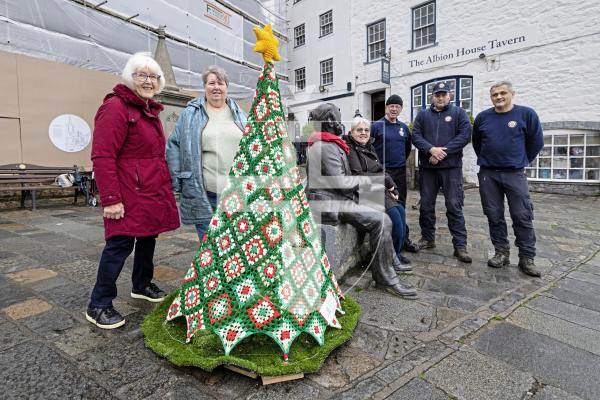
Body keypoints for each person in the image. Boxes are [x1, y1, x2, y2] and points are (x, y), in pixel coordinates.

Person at [87, 52, 180, 329]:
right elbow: (102, 156)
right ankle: (99, 304)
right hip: (127, 192)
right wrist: (111, 199)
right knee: (119, 244)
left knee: (148, 238)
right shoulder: (116, 107)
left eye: (153, 76)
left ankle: (141, 285)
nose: (148, 81)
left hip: (149, 191)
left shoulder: (148, 109)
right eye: (142, 75)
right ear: (130, 77)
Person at [306, 103, 416, 298]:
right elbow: (339, 182)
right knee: (382, 220)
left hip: (335, 196)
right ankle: (385, 278)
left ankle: (388, 262)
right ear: (331, 121)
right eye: (338, 117)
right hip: (329, 202)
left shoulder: (329, 143)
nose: (341, 122)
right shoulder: (325, 146)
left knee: (383, 209)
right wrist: (366, 181)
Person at [166, 66, 247, 241]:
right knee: (209, 247)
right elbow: (173, 145)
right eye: (211, 83)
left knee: (236, 244)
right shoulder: (190, 114)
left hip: (237, 193)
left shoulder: (241, 114)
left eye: (221, 83)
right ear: (205, 87)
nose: (216, 87)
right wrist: (178, 181)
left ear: (227, 87)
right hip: (205, 194)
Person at [472, 81, 544, 277]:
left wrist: (519, 160)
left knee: (522, 215)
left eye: (503, 93)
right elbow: (477, 143)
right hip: (488, 174)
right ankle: (501, 252)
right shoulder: (483, 118)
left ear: (512, 94)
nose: (499, 97)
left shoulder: (526, 114)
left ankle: (526, 258)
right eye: (495, 94)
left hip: (514, 173)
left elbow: (536, 142)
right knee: (494, 215)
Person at [412, 82, 472, 263]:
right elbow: (416, 136)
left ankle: (460, 245)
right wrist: (430, 150)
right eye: (437, 95)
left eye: (443, 94)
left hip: (451, 169)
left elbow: (464, 136)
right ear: (432, 97)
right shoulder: (422, 115)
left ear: (449, 95)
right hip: (428, 169)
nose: (440, 97)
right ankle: (428, 238)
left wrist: (441, 152)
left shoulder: (459, 113)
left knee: (454, 206)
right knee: (426, 206)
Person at [346, 116, 410, 269]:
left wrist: (393, 187)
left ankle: (396, 254)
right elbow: (359, 176)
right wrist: (384, 181)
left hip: (377, 189)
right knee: (394, 215)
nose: (363, 133)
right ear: (352, 132)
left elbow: (381, 170)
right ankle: (388, 258)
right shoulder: (350, 149)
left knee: (400, 211)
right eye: (359, 130)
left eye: (366, 130)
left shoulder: (369, 146)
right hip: (363, 193)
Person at [371, 94, 420, 255]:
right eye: (391, 106)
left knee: (401, 206)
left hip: (399, 172)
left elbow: (406, 150)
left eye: (397, 106)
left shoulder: (404, 128)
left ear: (401, 108)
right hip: (383, 174)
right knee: (386, 208)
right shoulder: (377, 126)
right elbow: (369, 150)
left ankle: (403, 239)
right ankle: (386, 243)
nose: (394, 109)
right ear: (386, 107)